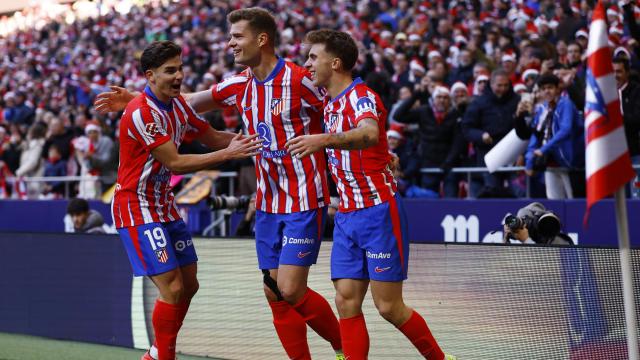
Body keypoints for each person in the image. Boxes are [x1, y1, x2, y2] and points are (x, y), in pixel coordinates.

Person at [95, 9, 344, 360]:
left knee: (288, 288)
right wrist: (137, 98)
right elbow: (182, 101)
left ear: (261, 39)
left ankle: (343, 347)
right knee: (274, 291)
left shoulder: (299, 79)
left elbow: (342, 104)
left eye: (237, 37)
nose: (229, 44)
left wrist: (373, 145)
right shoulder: (239, 83)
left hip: (304, 197)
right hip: (267, 201)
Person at [286, 29, 454, 360]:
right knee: (345, 300)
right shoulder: (329, 101)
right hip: (347, 216)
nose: (307, 64)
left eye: (312, 57)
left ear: (334, 63)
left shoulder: (361, 96)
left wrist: (322, 140)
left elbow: (369, 132)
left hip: (378, 212)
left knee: (389, 307)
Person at [111, 40, 261, 360]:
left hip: (164, 204)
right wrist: (228, 153)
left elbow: (213, 138)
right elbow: (176, 163)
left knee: (189, 286)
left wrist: (254, 142)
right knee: (173, 288)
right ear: (150, 76)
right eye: (170, 71)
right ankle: (164, 354)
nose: (179, 75)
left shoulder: (178, 105)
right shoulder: (141, 113)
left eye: (180, 68)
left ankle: (155, 353)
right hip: (136, 206)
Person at [524, 74, 584, 199]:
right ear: (540, 92)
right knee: (554, 202)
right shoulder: (542, 109)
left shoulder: (565, 104)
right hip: (551, 164)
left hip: (570, 163)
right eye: (543, 88)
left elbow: (565, 130)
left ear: (558, 89)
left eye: (550, 87)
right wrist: (529, 160)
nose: (547, 91)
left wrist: (543, 149)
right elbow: (536, 134)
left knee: (575, 201)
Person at [612, 57, 640, 198]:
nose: (615, 75)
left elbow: (637, 119)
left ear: (627, 73)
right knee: (618, 198)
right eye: (612, 71)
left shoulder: (636, 91)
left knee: (636, 196)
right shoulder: (602, 94)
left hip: (633, 152)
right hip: (611, 155)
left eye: (619, 71)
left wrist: (617, 119)